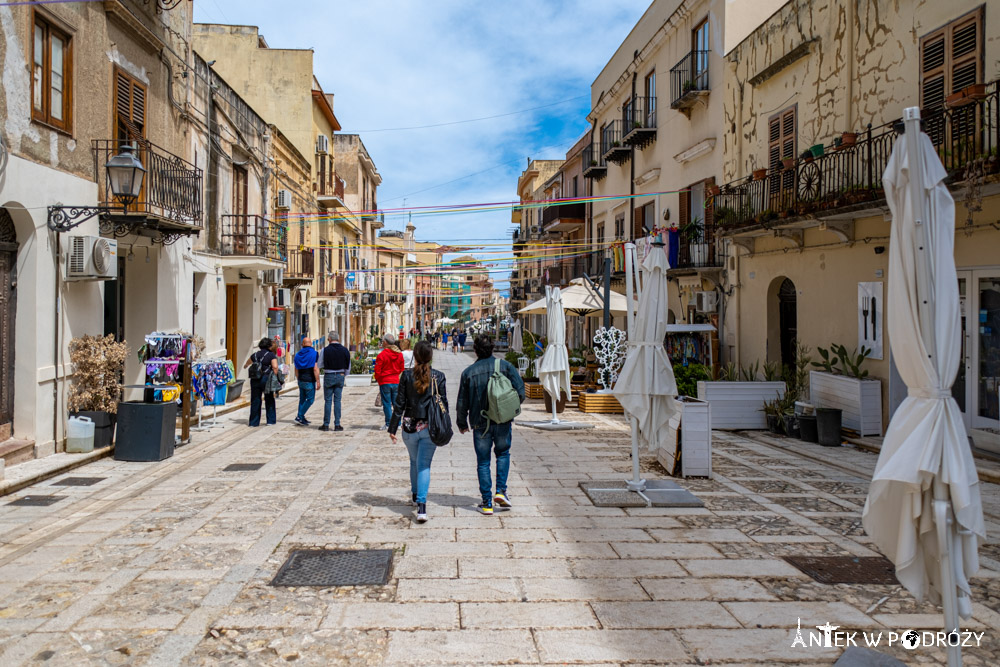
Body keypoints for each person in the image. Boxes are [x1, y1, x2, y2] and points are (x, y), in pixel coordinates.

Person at [457, 335, 525, 515]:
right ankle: (501, 491)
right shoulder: (505, 367)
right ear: (493, 348)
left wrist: (462, 422)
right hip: (502, 421)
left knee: (483, 462)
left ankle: (487, 502)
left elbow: (462, 402)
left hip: (480, 423)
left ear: (476, 350)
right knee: (503, 453)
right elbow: (521, 392)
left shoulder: (468, 373)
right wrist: (509, 409)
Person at [388, 341, 446, 523]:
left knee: (414, 461)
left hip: (409, 427)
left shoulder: (406, 375)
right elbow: (443, 403)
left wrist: (392, 428)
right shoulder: (438, 376)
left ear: (415, 355)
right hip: (430, 428)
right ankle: (421, 507)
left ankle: (415, 495)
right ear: (430, 356)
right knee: (424, 465)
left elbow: (399, 403)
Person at [319, 330, 350, 432]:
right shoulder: (345, 350)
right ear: (338, 339)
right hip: (340, 375)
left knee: (328, 401)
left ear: (329, 339)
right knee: (337, 401)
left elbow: (319, 364)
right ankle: (337, 424)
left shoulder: (325, 350)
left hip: (329, 375)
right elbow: (348, 365)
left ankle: (326, 424)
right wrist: (344, 374)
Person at [245, 337, 279, 427]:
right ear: (269, 346)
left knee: (255, 400)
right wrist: (276, 377)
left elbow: (247, 364)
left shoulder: (255, 355)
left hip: (255, 379)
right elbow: (275, 367)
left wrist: (245, 366)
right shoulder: (271, 355)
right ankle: (270, 421)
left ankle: (253, 422)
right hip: (266, 379)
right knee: (269, 399)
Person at [374, 334, 404, 430]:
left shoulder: (382, 355)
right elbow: (401, 368)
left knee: (387, 403)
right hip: (395, 381)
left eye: (382, 341)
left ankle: (388, 423)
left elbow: (377, 370)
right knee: (396, 403)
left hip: (385, 381)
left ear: (386, 342)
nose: (382, 343)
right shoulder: (399, 354)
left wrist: (379, 379)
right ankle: (398, 423)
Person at [293, 337, 320, 426]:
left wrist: (298, 379)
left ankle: (301, 417)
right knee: (310, 400)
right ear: (311, 344)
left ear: (302, 344)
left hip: (301, 379)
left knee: (302, 399)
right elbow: (315, 368)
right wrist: (318, 381)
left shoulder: (297, 355)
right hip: (309, 380)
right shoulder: (314, 353)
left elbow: (296, 369)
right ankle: (299, 416)